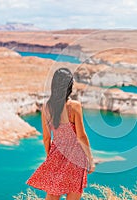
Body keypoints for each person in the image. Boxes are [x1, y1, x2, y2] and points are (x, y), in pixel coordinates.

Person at [26, 68, 95, 200]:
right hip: (76, 159)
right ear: (70, 86)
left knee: (52, 196)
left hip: (56, 156)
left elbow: (46, 138)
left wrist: (50, 158)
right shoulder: (74, 106)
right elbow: (81, 136)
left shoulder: (47, 107)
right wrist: (90, 160)